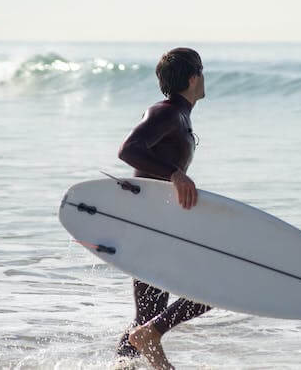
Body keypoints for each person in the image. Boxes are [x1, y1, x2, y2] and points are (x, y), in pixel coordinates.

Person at [115, 47, 210, 370]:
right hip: (149, 223)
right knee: (214, 287)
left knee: (145, 317)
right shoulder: (166, 112)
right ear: (194, 77)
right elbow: (129, 150)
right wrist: (174, 174)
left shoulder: (179, 116)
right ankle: (151, 335)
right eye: (202, 72)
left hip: (151, 223)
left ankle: (122, 364)